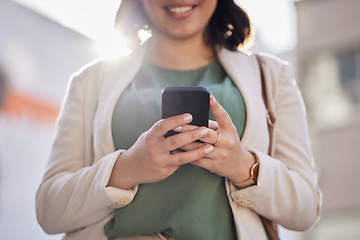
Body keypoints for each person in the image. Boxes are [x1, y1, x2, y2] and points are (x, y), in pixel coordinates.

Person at [36, 0, 322, 239]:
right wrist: (125, 170)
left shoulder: (272, 77)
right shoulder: (90, 81)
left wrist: (243, 166)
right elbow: (49, 209)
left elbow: (306, 208)